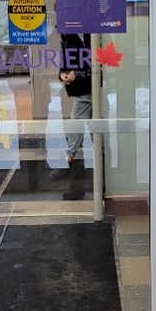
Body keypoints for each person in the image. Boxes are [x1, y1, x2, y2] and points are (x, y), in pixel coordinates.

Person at [51, 31, 92, 200]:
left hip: (88, 90)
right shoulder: (67, 34)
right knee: (84, 133)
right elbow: (67, 60)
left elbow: (97, 61)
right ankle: (81, 181)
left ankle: (78, 180)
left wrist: (77, 72)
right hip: (80, 90)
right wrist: (63, 74)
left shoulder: (89, 32)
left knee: (79, 131)